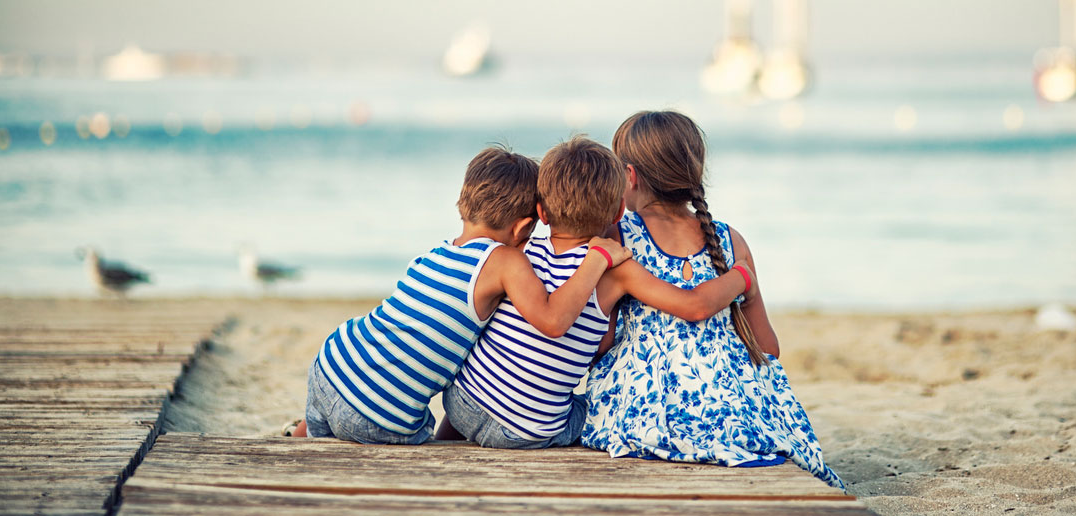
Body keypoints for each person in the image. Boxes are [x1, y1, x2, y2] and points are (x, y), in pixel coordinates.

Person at [294, 146, 629, 444]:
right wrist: (598, 255)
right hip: (378, 414)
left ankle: (300, 434)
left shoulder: (434, 254)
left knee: (315, 440)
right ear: (523, 227)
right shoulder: (505, 262)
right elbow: (552, 320)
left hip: (330, 363)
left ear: (464, 202)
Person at [437, 136, 755, 449]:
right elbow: (693, 306)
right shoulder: (614, 268)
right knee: (589, 408)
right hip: (528, 432)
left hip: (463, 406)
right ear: (619, 213)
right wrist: (740, 275)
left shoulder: (518, 253)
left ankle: (444, 441)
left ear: (541, 214)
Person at [582, 111, 844, 490]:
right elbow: (767, 348)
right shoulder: (729, 239)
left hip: (647, 404)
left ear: (630, 176)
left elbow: (601, 342)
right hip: (735, 402)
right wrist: (744, 286)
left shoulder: (617, 238)